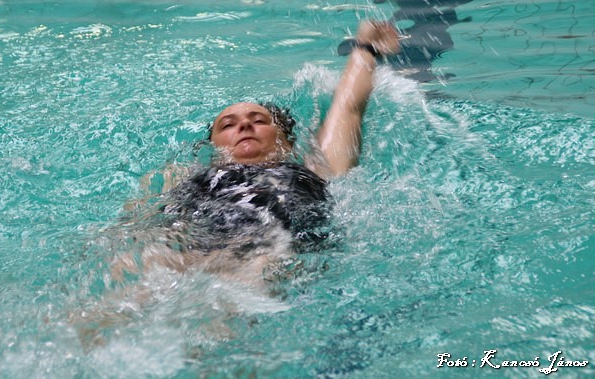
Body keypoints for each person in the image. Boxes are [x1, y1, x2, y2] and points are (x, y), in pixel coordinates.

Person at [114, 20, 401, 286]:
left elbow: (347, 108)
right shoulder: (182, 175)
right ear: (212, 148)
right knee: (132, 268)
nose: (244, 126)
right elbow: (138, 224)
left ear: (287, 141)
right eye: (228, 125)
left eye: (259, 120)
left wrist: (366, 47)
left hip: (273, 252)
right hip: (197, 248)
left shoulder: (317, 166)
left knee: (258, 272)